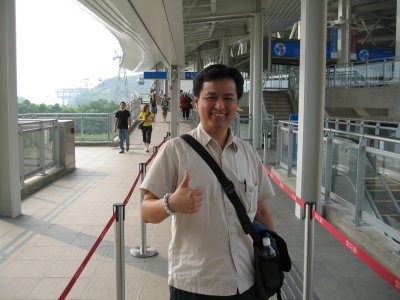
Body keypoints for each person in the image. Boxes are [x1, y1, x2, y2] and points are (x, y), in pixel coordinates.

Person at [140, 64, 275, 299]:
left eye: (228, 98)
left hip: (247, 281)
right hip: (195, 284)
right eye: (211, 97)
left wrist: (272, 254)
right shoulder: (176, 150)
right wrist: (170, 203)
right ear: (196, 101)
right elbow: (145, 212)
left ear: (237, 103)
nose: (220, 106)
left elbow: (261, 210)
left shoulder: (249, 153)